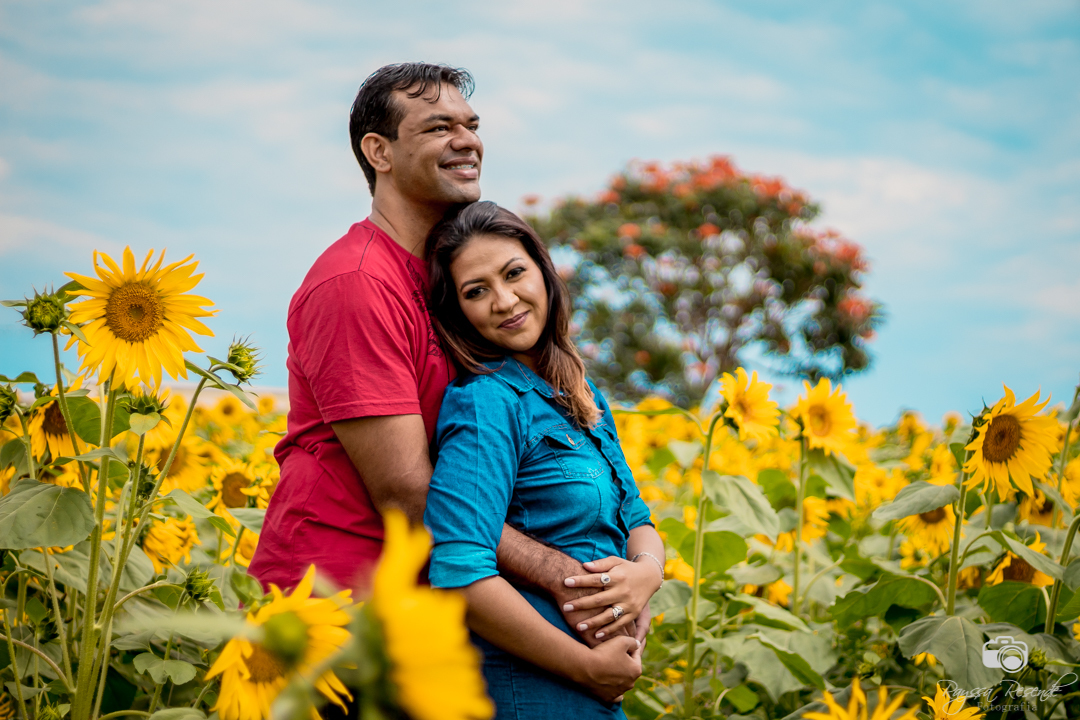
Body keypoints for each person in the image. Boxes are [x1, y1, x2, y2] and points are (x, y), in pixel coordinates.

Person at [249, 62, 644, 650]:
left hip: (425, 607)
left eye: (471, 125)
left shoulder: (453, 281)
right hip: (333, 606)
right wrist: (575, 582)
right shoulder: (357, 283)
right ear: (378, 152)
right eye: (438, 128)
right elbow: (409, 495)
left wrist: (636, 569)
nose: (467, 141)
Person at [423, 202, 668, 717]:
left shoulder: (582, 394)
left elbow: (637, 519)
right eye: (476, 291)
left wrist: (646, 576)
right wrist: (585, 667)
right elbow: (460, 572)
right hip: (530, 689)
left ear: (544, 272)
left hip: (597, 690)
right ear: (459, 312)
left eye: (514, 273)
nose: (504, 301)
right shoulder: (486, 401)